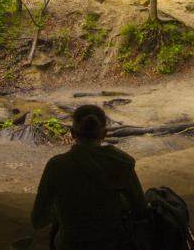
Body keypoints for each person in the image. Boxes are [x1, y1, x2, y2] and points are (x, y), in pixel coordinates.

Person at [31, 105, 148, 250]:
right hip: (113, 244)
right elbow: (140, 209)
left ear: (72, 133)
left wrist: (61, 210)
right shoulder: (121, 162)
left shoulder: (56, 165)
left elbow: (38, 220)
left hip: (70, 244)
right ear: (104, 134)